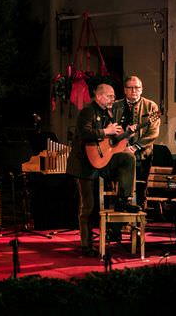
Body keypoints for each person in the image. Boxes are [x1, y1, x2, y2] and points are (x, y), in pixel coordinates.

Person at [69, 83, 139, 257]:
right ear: (99, 96)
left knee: (127, 158)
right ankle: (86, 245)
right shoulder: (88, 111)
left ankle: (123, 199)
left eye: (113, 96)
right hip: (84, 164)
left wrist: (126, 134)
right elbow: (84, 133)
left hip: (101, 160)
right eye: (109, 96)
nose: (113, 99)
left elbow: (110, 141)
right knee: (88, 206)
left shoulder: (107, 113)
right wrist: (105, 131)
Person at [113, 76, 159, 208]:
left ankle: (138, 213)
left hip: (142, 153)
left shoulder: (151, 106)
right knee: (119, 181)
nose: (134, 90)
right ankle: (120, 207)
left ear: (142, 89)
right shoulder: (115, 106)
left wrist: (135, 147)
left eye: (137, 88)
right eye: (130, 88)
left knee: (140, 186)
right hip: (118, 151)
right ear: (125, 90)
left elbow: (153, 132)